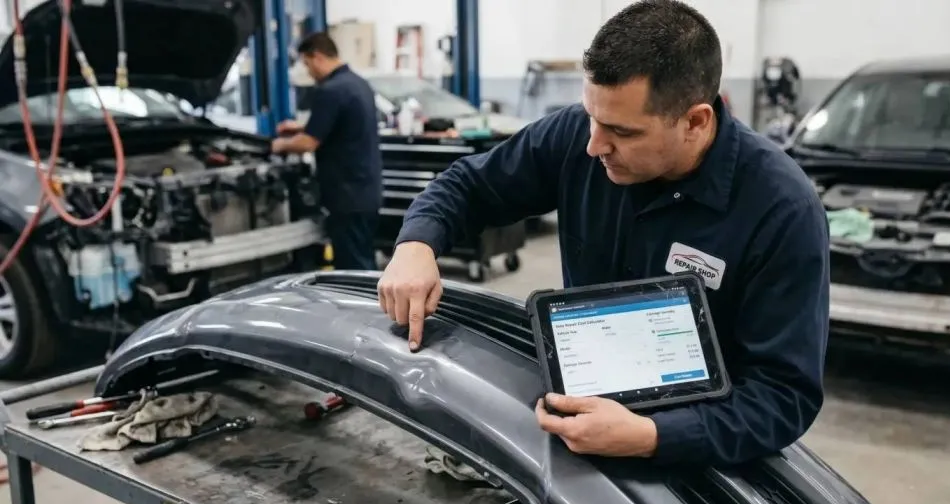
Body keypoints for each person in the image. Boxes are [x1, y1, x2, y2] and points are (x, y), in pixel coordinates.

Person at [376, 0, 830, 467]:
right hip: (578, 414)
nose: (594, 144)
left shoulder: (780, 209)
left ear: (695, 122)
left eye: (621, 131)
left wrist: (653, 435)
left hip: (700, 454)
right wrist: (416, 245)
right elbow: (469, 185)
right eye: (591, 116)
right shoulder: (579, 137)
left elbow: (782, 397)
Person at [272, 32, 383, 271]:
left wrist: (278, 145)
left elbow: (308, 143)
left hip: (346, 195)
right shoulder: (357, 84)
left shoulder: (330, 90)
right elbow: (344, 124)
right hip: (365, 192)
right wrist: (299, 127)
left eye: (307, 64)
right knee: (363, 260)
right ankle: (371, 307)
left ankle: (361, 309)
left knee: (353, 269)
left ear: (318, 57)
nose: (308, 71)